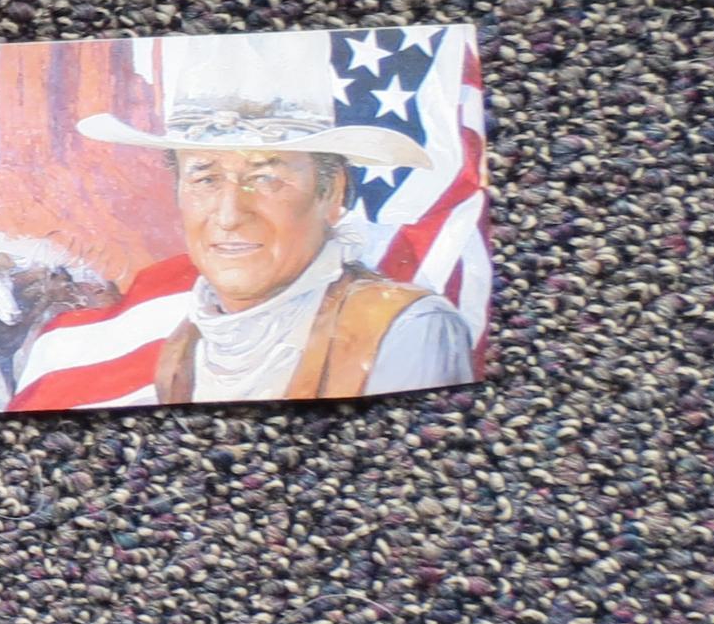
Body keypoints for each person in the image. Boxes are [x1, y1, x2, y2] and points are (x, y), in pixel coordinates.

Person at [77, 33, 474, 402]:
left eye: (265, 178)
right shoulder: (187, 344)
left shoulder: (404, 329)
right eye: (205, 178)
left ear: (332, 192)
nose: (229, 215)